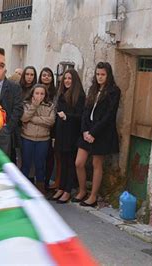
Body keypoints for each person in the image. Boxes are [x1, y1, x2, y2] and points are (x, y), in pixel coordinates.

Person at [75, 62, 121, 207]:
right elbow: (86, 111)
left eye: (103, 75)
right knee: (79, 162)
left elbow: (109, 115)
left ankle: (93, 196)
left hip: (102, 133)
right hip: (87, 131)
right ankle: (82, 191)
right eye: (98, 74)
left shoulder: (114, 91)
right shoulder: (92, 89)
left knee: (96, 164)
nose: (100, 77)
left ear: (108, 75)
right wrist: (84, 131)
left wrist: (94, 132)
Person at [50, 69, 86, 203]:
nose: (67, 81)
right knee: (63, 162)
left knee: (70, 163)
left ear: (74, 80)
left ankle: (67, 190)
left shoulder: (79, 96)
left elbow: (80, 116)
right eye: (65, 78)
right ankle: (61, 187)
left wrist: (67, 117)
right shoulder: (61, 94)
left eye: (70, 78)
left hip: (72, 134)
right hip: (61, 133)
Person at [20, 84, 55, 193]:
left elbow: (51, 121)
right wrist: (34, 106)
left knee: (40, 165)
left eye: (42, 94)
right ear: (32, 93)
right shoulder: (26, 104)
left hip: (43, 139)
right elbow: (24, 118)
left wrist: (33, 119)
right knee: (26, 164)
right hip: (27, 138)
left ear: (45, 95)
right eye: (37, 93)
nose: (39, 96)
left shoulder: (50, 105)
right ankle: (23, 188)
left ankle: (40, 188)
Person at [0, 70, 23, 163]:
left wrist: (8, 128)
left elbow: (18, 108)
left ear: (5, 71)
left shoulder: (14, 87)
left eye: (1, 68)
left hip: (4, 130)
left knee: (3, 161)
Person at [38, 67, 58, 191]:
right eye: (44, 75)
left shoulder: (56, 92)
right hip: (35, 130)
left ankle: (46, 183)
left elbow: (54, 113)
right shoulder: (36, 90)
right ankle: (38, 183)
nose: (46, 77)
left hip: (52, 129)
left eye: (49, 75)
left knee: (49, 156)